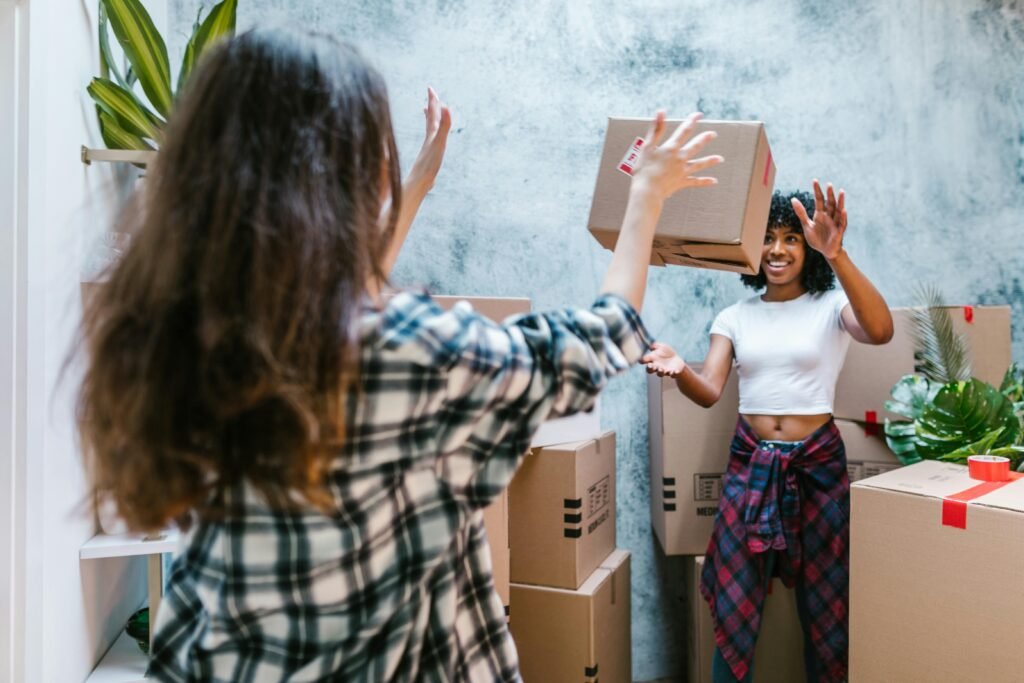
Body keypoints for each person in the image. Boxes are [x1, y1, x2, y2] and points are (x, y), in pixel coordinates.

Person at [74, 28, 723, 682]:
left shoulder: (191, 340)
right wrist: (645, 196)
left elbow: (334, 308)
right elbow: (597, 339)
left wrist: (416, 186)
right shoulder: (408, 355)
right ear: (353, 176)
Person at [643, 184, 893, 682]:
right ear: (750, 249)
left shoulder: (831, 306)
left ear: (808, 248)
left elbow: (882, 330)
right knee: (735, 611)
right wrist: (679, 368)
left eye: (791, 238)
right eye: (767, 238)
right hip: (750, 464)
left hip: (817, 467)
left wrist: (837, 254)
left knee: (826, 608)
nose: (777, 250)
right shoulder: (735, 317)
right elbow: (710, 389)